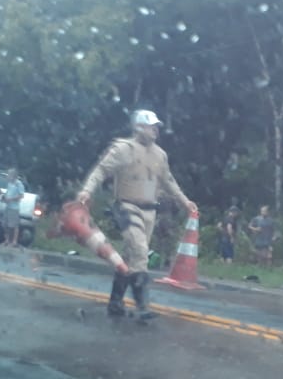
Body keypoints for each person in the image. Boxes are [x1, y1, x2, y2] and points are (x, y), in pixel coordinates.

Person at [77, 109, 197, 322]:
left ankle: (115, 302)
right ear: (139, 127)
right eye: (151, 126)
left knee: (131, 257)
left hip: (150, 210)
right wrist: (87, 191)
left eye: (156, 126)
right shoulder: (124, 149)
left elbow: (168, 180)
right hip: (126, 207)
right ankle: (143, 307)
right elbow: (101, 171)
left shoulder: (160, 155)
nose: (155, 130)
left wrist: (184, 201)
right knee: (141, 252)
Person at [2, 168, 25, 247]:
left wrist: (11, 199)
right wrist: (4, 198)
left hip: (14, 208)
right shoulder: (9, 184)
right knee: (6, 224)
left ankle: (14, 241)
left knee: (14, 225)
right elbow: (8, 193)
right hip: (7, 206)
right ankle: (7, 240)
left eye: (8, 174)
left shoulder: (18, 184)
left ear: (13, 175)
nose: (7, 175)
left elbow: (21, 196)